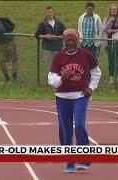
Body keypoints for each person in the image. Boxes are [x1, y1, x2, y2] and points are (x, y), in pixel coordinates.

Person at [48, 29, 101, 173]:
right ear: (63, 41)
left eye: (73, 40)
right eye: (68, 40)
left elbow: (96, 71)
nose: (70, 43)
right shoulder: (58, 57)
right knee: (65, 130)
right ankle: (69, 161)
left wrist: (91, 88)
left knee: (79, 124)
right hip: (62, 97)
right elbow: (51, 79)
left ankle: (83, 158)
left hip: (80, 96)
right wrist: (61, 79)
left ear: (78, 41)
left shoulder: (85, 54)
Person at [102, 4, 118, 83]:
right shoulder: (107, 19)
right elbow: (104, 29)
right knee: (111, 60)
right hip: (109, 43)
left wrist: (112, 31)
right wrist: (110, 22)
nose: (113, 10)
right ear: (110, 10)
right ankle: (111, 77)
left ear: (117, 10)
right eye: (112, 9)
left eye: (115, 9)